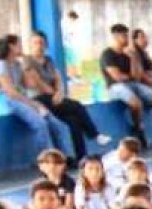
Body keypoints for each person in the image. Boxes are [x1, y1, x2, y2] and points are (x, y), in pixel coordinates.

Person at [21, 29, 107, 157]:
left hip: (54, 98)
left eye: (41, 43)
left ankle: (81, 156)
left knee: (73, 121)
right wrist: (54, 94)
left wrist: (60, 92)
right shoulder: (27, 61)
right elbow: (37, 83)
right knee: (77, 106)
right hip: (39, 100)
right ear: (30, 45)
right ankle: (94, 134)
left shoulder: (49, 60)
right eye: (36, 43)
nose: (39, 46)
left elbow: (58, 78)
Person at [0, 34, 73, 162]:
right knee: (40, 124)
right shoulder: (1, 64)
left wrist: (26, 64)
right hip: (10, 101)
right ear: (11, 46)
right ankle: (46, 160)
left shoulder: (17, 64)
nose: (22, 47)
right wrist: (34, 105)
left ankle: (65, 157)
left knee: (56, 124)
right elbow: (11, 92)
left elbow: (29, 84)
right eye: (19, 44)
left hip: (23, 98)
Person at [100, 23, 152, 142]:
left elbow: (137, 76)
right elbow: (117, 77)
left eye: (127, 36)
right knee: (136, 103)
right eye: (124, 36)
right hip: (115, 87)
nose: (126, 39)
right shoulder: (107, 54)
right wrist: (130, 76)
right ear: (115, 37)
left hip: (132, 84)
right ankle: (138, 128)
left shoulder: (131, 53)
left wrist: (133, 58)